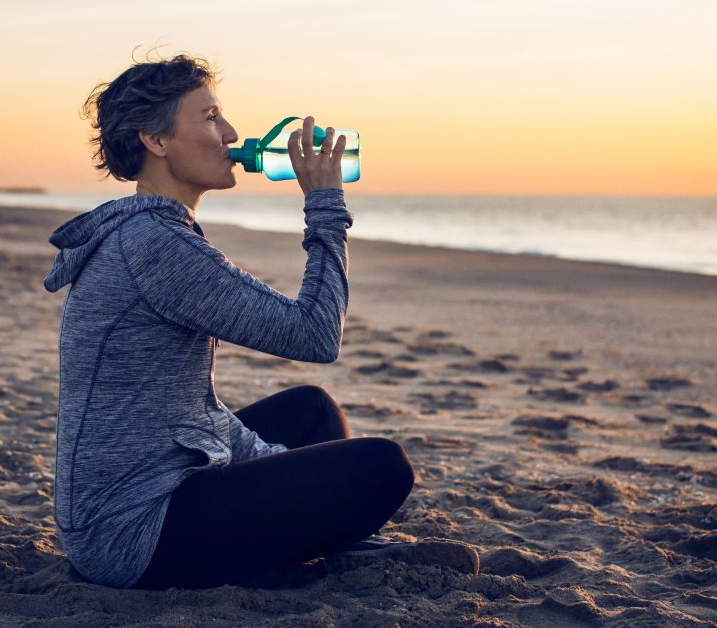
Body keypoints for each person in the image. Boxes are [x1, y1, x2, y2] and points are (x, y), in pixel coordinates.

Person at [43, 54, 452, 590]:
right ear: (156, 141)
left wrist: (274, 466)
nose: (232, 133)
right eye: (211, 116)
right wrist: (324, 202)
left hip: (146, 489)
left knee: (312, 411)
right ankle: (308, 546)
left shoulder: (149, 231)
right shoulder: (154, 244)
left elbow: (190, 409)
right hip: (131, 531)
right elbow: (315, 334)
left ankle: (309, 540)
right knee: (383, 467)